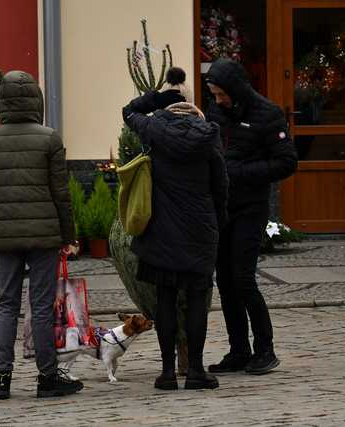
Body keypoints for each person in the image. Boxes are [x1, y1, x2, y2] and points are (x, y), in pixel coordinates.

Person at [0, 70, 81, 400]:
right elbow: (60, 192)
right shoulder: (50, 138)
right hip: (44, 234)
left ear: (1, 102)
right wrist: (69, 234)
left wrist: (2, 214)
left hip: (4, 234)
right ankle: (47, 378)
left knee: (6, 305)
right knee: (41, 305)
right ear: (36, 99)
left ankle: (1, 380)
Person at [122, 67, 229, 390]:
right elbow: (220, 186)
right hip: (199, 230)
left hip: (161, 230)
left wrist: (154, 97)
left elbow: (128, 111)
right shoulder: (208, 136)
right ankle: (195, 370)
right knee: (197, 300)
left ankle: (168, 372)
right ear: (195, 110)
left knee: (165, 300)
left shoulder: (152, 129)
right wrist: (217, 225)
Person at [204, 58, 297, 375]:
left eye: (221, 94)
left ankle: (265, 349)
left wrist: (239, 172)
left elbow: (286, 163)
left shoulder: (268, 114)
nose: (218, 101)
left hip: (250, 208)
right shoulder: (216, 111)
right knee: (226, 283)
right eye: (213, 95)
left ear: (235, 89)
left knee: (243, 280)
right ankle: (239, 350)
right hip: (222, 208)